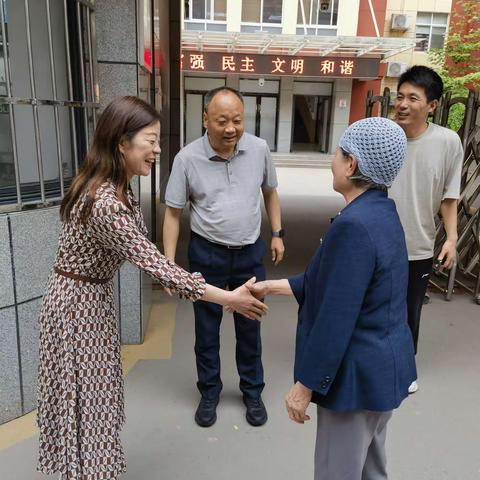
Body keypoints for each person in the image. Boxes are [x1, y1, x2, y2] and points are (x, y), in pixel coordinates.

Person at [36, 96, 267, 480]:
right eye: (151, 140)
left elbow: (155, 262)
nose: (159, 150)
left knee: (98, 403)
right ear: (121, 142)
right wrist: (229, 297)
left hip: (91, 302)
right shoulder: (104, 202)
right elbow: (156, 264)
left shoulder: (119, 188)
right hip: (75, 311)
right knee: (88, 408)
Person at [247, 117, 417, 480]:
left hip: (355, 380)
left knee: (336, 473)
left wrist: (304, 385)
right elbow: (340, 282)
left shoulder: (352, 226)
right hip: (381, 373)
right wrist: (271, 286)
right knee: (371, 469)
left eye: (338, 152)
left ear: (351, 164)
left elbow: (337, 316)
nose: (333, 159)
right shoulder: (381, 212)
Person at [163, 86, 284, 427]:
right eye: (221, 121)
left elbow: (270, 192)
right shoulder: (187, 158)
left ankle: (252, 391)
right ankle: (210, 392)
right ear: (205, 119)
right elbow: (173, 212)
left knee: (250, 326)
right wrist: (169, 263)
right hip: (207, 255)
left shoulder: (259, 149)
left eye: (237, 120)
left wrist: (277, 233)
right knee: (206, 329)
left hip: (249, 254)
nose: (231, 129)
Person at [389, 65, 463, 394]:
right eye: (400, 96)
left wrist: (451, 237)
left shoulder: (447, 142)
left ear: (432, 105)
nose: (403, 104)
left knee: (408, 313)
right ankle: (366, 364)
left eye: (413, 98)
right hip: (374, 244)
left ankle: (404, 368)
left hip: (417, 246)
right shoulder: (382, 134)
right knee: (365, 306)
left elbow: (449, 197)